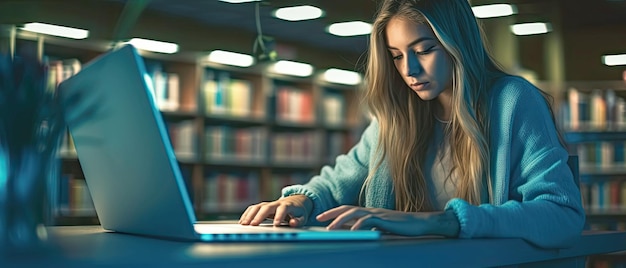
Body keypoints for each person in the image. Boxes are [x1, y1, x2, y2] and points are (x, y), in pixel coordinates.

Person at [239, 0, 585, 248]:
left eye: (424, 50)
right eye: (397, 56)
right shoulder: (398, 115)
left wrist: (442, 222)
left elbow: (562, 213)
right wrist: (302, 201)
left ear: (457, 43)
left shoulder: (513, 100)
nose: (410, 71)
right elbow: (337, 182)